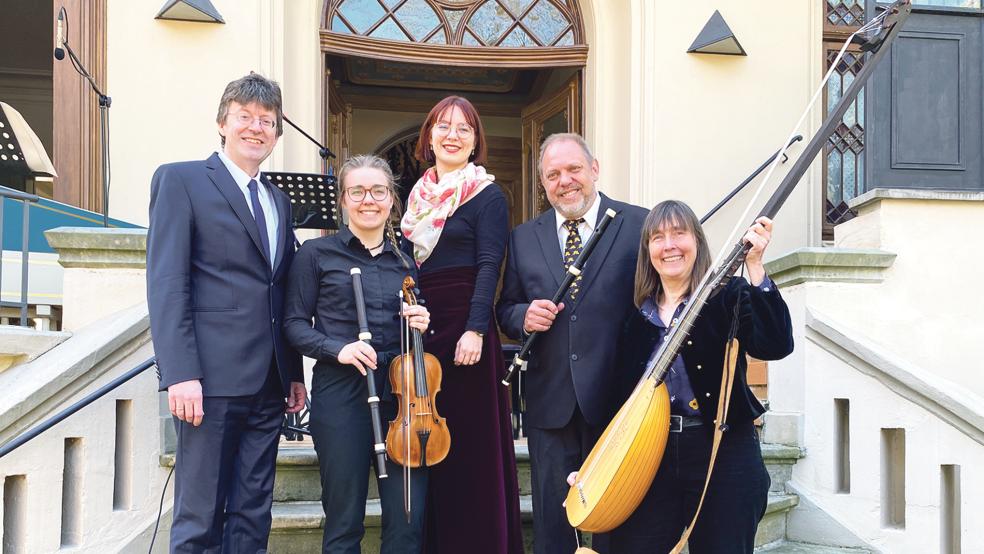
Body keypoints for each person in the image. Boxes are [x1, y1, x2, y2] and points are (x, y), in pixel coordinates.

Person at [146, 73, 306, 553]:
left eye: (268, 121)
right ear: (222, 122)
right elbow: (168, 283)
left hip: (269, 383)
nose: (256, 128)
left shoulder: (279, 200)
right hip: (208, 382)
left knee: (253, 510)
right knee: (200, 512)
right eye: (245, 117)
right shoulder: (181, 180)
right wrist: (180, 374)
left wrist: (293, 372)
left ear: (277, 134)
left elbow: (280, 291)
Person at [605, 200, 794, 553]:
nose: (670, 245)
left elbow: (776, 344)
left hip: (722, 450)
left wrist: (755, 266)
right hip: (650, 455)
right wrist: (595, 465)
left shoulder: (726, 297)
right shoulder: (635, 317)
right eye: (658, 237)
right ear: (648, 251)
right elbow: (619, 401)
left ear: (697, 242)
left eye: (679, 233)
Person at [496, 133, 648, 554]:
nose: (565, 181)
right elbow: (505, 309)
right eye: (553, 174)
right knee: (553, 518)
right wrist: (522, 317)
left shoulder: (638, 223)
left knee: (615, 513)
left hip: (619, 398)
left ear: (594, 169)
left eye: (573, 169)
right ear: (543, 183)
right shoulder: (523, 237)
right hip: (550, 399)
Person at [283, 154, 431, 554]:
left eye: (379, 191)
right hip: (341, 393)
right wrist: (338, 349)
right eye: (358, 191)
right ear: (343, 200)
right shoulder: (316, 255)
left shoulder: (407, 261)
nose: (369, 200)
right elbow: (293, 325)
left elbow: (421, 331)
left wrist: (422, 321)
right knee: (344, 521)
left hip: (403, 398)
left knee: (407, 523)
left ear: (391, 200)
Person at [400, 95, 523, 554]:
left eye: (464, 129)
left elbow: (490, 264)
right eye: (444, 126)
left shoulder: (487, 194)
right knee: (432, 451)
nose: (453, 135)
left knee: (469, 452)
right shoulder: (416, 198)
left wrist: (476, 328)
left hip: (466, 333)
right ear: (428, 136)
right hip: (424, 329)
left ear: (476, 142)